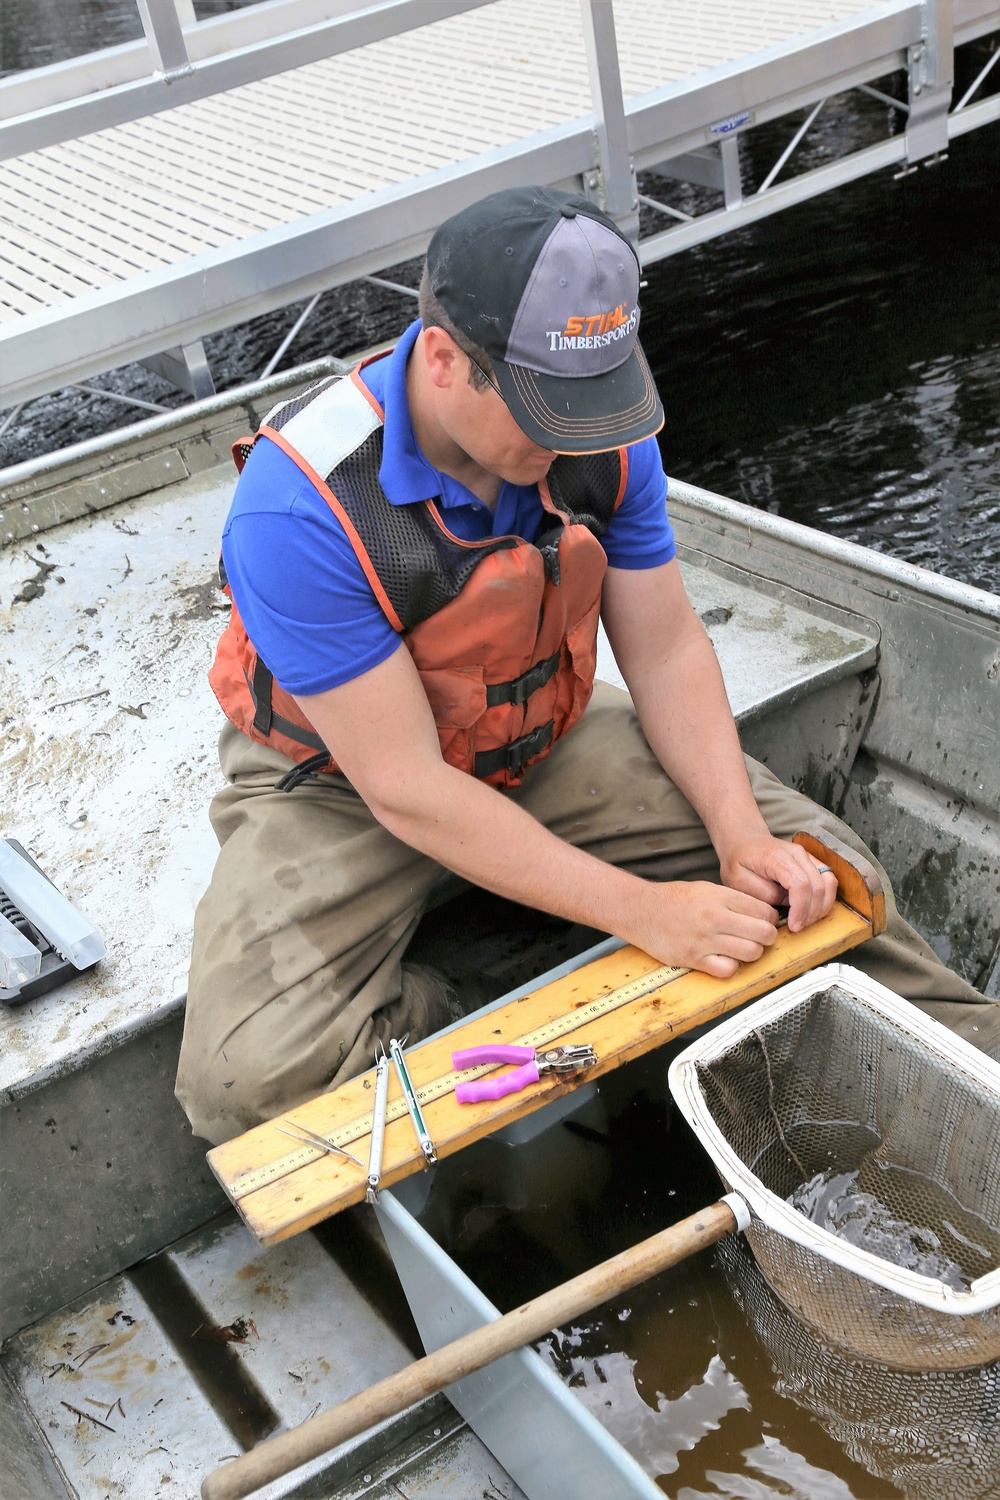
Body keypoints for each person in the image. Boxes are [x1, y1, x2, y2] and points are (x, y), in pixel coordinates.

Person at [176, 185, 997, 1146]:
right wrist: (642, 911)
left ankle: (979, 1070)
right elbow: (406, 789)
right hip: (344, 783)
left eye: (594, 400)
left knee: (824, 874)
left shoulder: (602, 438)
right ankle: (489, 968)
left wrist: (739, 837)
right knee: (246, 1080)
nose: (576, 433)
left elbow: (666, 644)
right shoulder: (300, 508)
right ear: (444, 360)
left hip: (536, 732)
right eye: (546, 407)